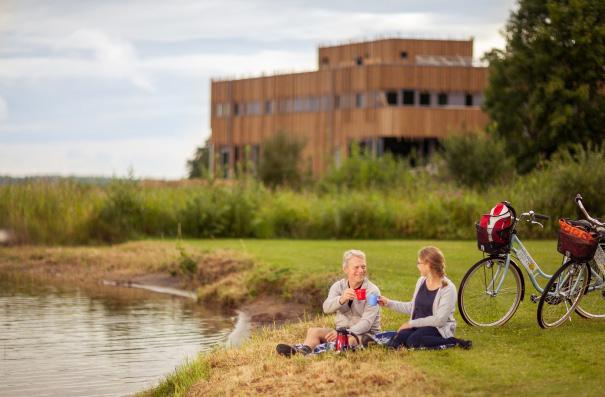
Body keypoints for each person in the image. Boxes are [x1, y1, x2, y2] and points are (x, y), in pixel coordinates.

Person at [276, 249, 381, 357]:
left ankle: (321, 354)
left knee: (349, 341)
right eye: (356, 267)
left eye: (363, 267)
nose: (361, 270)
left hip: (365, 334)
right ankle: (303, 352)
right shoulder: (338, 287)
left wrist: (344, 333)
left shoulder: (372, 291)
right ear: (346, 269)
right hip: (341, 331)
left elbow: (367, 323)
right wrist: (341, 299)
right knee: (313, 331)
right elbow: (326, 308)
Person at [379, 246, 472, 350]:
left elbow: (439, 320)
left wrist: (411, 323)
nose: (417, 266)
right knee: (399, 337)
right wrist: (388, 303)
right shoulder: (421, 281)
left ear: (429, 265)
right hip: (419, 326)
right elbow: (412, 307)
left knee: (413, 341)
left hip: (437, 328)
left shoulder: (448, 288)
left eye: (419, 263)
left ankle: (454, 342)